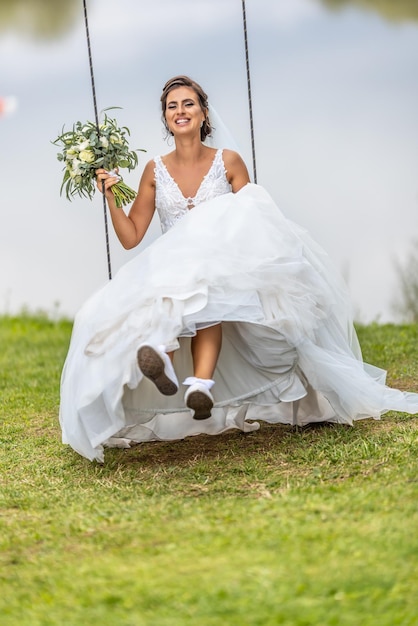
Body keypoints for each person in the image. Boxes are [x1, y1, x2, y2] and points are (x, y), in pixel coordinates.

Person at [59, 75, 418, 462]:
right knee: (166, 291)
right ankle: (184, 371)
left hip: (222, 261)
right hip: (175, 261)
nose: (180, 111)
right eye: (172, 106)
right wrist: (111, 194)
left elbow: (255, 216)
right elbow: (131, 237)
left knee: (209, 288)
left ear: (203, 113)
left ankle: (186, 371)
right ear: (165, 119)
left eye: (188, 104)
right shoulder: (153, 170)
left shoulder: (227, 161)